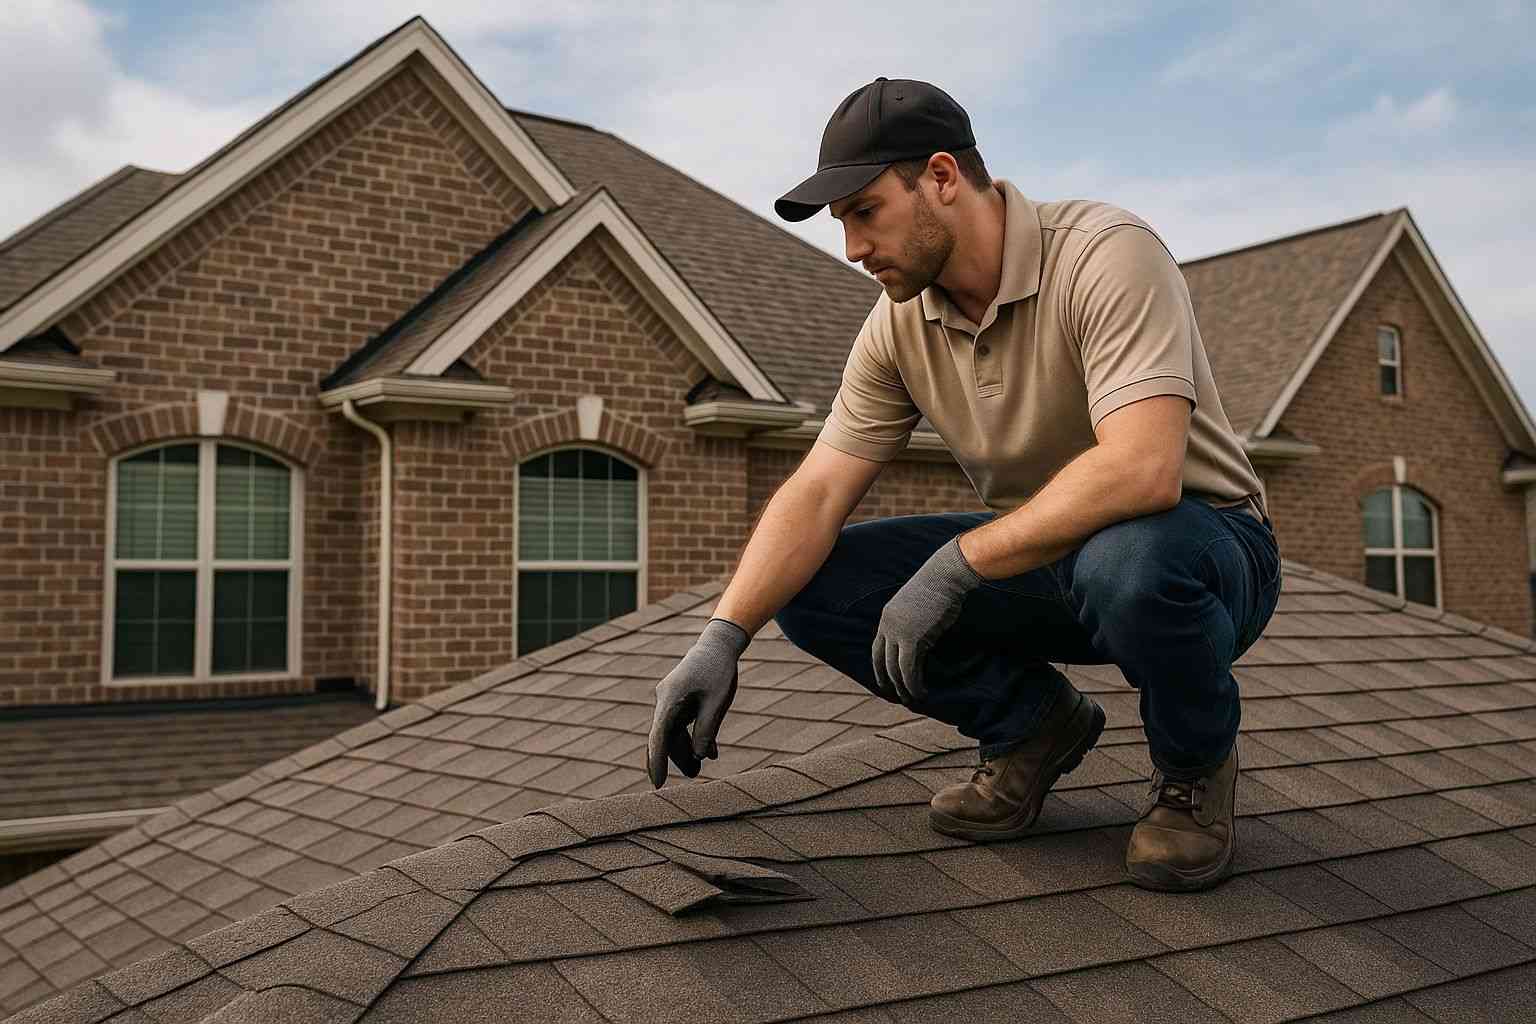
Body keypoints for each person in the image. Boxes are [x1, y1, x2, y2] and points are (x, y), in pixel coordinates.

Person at [646, 77, 1281, 893]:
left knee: (1128, 562)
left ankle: (1193, 773)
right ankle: (1033, 729)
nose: (850, 248)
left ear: (941, 177)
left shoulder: (1105, 252)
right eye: (842, 224)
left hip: (1207, 550)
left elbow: (1143, 468)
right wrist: (722, 636)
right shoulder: (898, 325)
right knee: (815, 586)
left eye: (864, 212)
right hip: (1051, 558)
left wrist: (954, 567)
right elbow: (815, 492)